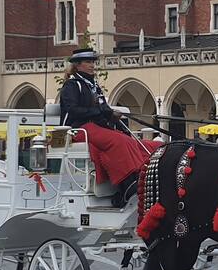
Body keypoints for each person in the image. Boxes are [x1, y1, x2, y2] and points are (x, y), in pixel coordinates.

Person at [58, 48, 160, 207]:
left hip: (95, 127)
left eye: (93, 62)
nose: (92, 65)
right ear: (77, 65)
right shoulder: (72, 85)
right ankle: (127, 184)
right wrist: (101, 112)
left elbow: (103, 109)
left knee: (130, 140)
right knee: (119, 141)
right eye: (88, 62)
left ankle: (141, 175)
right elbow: (73, 110)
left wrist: (113, 118)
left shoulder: (93, 86)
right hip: (78, 129)